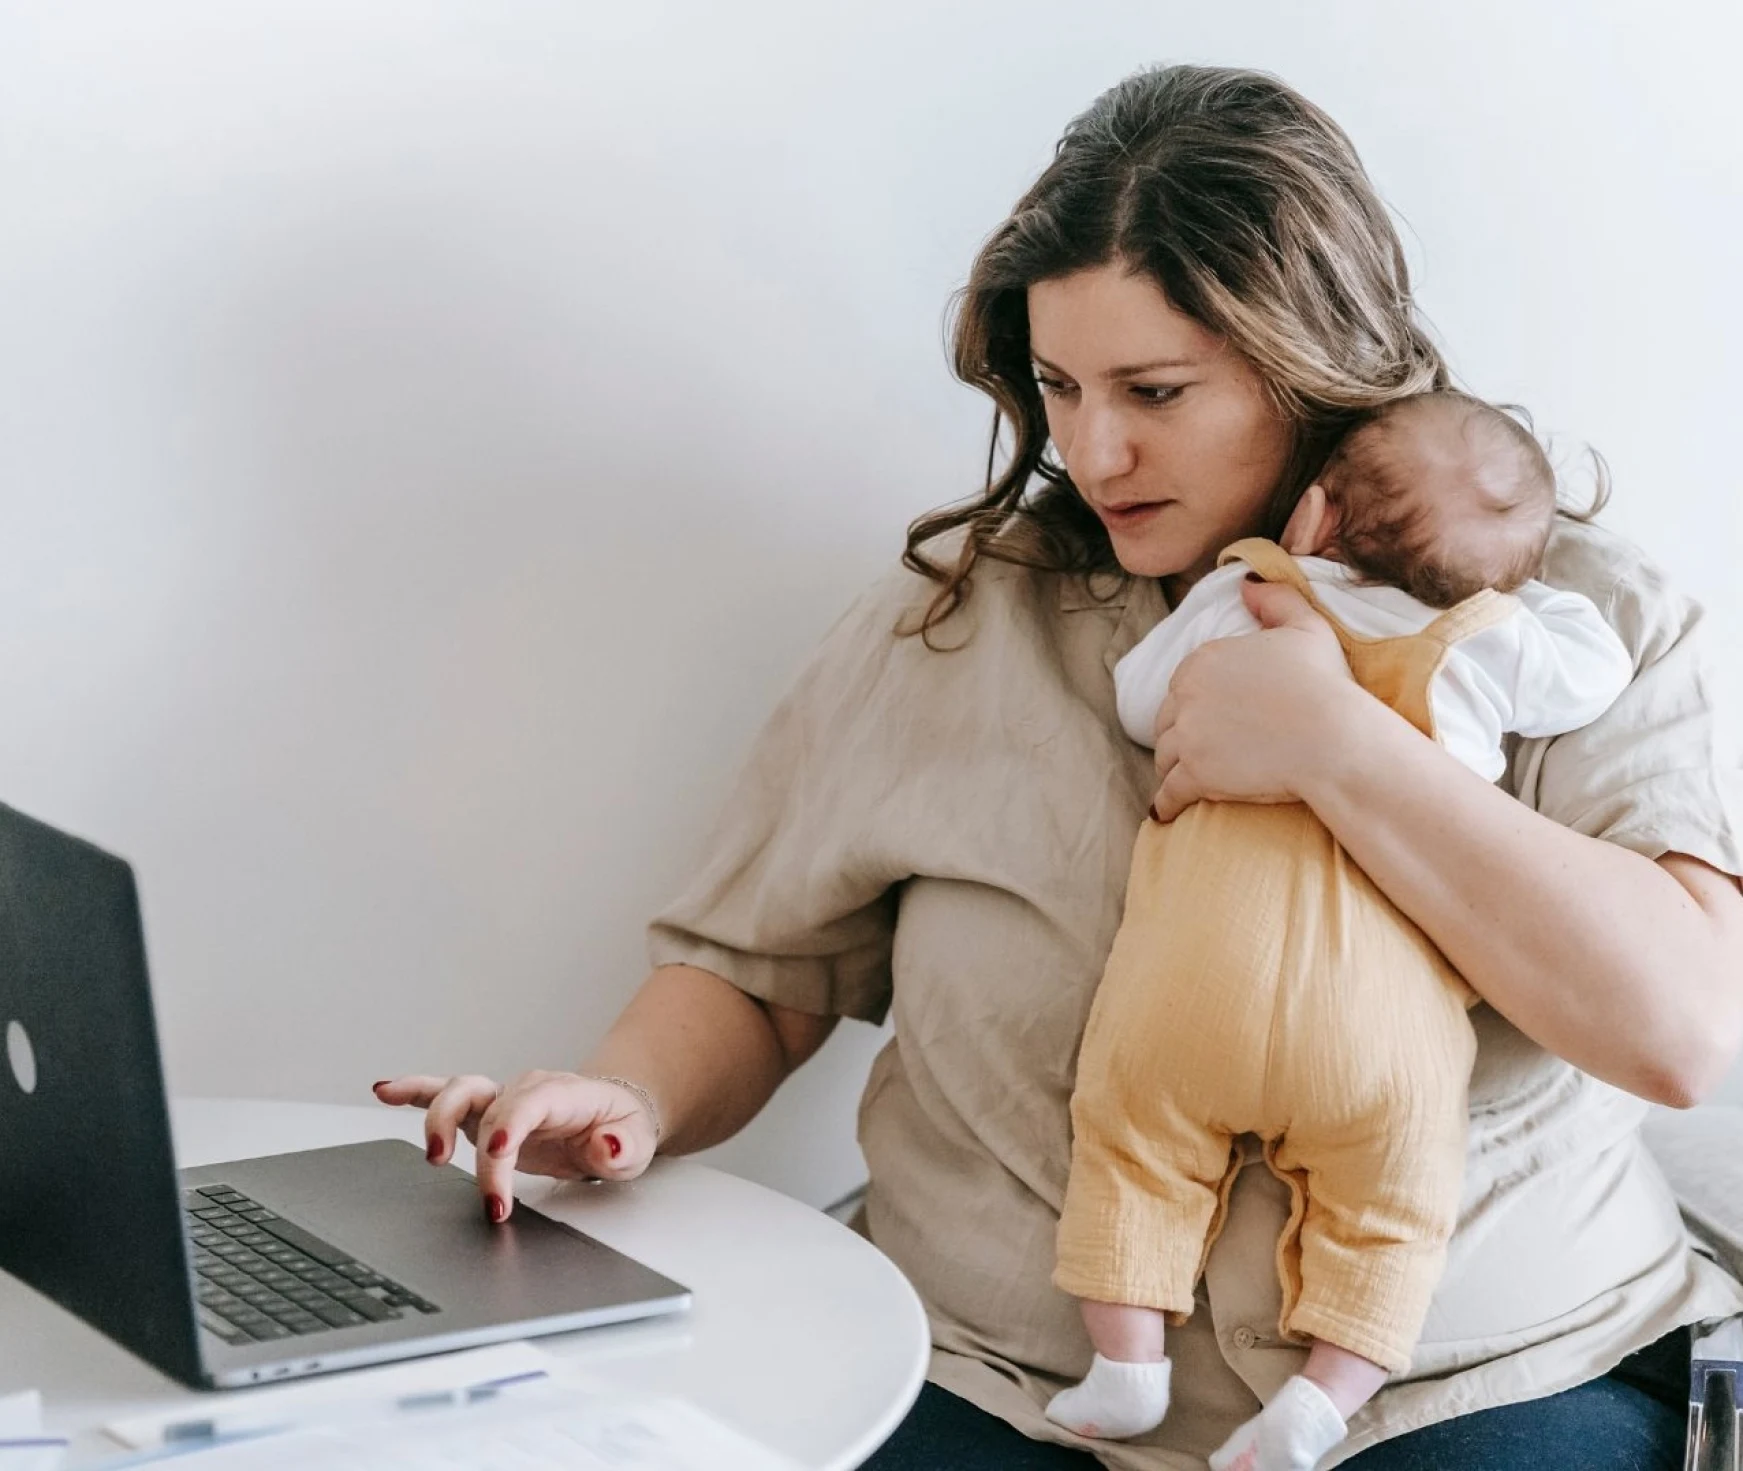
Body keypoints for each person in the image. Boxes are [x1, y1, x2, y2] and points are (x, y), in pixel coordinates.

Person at [374, 65, 1743, 1469]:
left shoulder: (1567, 618)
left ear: (1308, 360)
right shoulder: (955, 622)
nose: (1092, 448)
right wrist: (631, 1100)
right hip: (992, 1376)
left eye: (1152, 389)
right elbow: (756, 969)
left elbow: (1675, 1029)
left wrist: (1337, 749)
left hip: (1476, 1379)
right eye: (1057, 385)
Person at [1044, 391, 1635, 1469]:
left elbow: (1140, 700)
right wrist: (1519, 589)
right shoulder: (1481, 644)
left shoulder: (1251, 592)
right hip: (1379, 1018)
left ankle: (1127, 1364)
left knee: (1128, 1141)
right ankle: (1322, 1402)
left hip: (1194, 979)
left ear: (1314, 513)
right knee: (1395, 1204)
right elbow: (1596, 668)